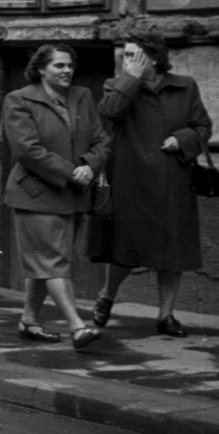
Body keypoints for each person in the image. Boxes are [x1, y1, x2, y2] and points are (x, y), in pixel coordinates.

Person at [91, 37, 213, 336]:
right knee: (125, 249)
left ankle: (166, 316)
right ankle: (107, 295)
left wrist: (183, 139)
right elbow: (109, 112)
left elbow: (203, 126)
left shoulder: (184, 86)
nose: (126, 60)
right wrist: (131, 78)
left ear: (154, 58)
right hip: (131, 180)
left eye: (133, 55)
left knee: (172, 254)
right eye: (125, 55)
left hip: (174, 181)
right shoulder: (117, 84)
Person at [1, 45, 110, 349]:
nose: (67, 71)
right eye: (59, 66)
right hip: (35, 194)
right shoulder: (19, 100)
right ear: (40, 69)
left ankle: (29, 321)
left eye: (70, 65)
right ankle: (77, 327)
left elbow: (101, 139)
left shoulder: (82, 96)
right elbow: (27, 149)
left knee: (45, 264)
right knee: (53, 262)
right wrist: (71, 171)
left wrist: (90, 165)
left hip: (72, 195)